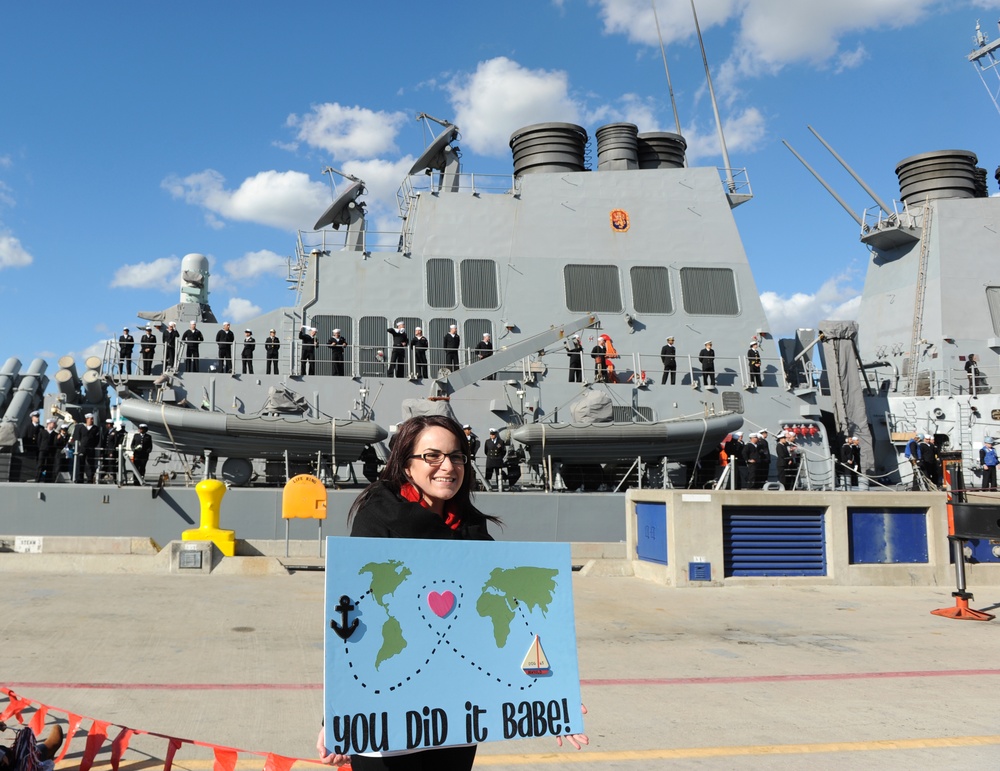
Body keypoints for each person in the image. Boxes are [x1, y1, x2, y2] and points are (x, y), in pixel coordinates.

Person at [332, 415, 497, 769]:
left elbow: (496, 619)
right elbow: (355, 617)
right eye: (432, 456)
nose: (448, 466)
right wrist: (336, 711)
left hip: (453, 712)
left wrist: (552, 693)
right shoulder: (379, 519)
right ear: (406, 465)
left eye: (456, 456)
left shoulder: (474, 530)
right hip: (386, 712)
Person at [73, 413, 101, 483]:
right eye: (91, 419)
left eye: (92, 419)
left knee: (90, 464)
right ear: (87, 419)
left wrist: (92, 446)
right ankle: (79, 479)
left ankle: (90, 478)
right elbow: (76, 437)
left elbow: (97, 439)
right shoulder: (81, 427)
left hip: (90, 449)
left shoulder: (95, 428)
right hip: (82, 448)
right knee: (80, 463)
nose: (92, 420)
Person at [35, 417, 63, 482]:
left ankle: (48, 479)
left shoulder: (55, 434)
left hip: (51, 451)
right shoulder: (42, 432)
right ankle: (37, 478)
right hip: (43, 450)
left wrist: (58, 438)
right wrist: (40, 448)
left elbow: (56, 443)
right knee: (40, 464)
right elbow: (39, 441)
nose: (55, 425)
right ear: (49, 424)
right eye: (53, 423)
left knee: (50, 465)